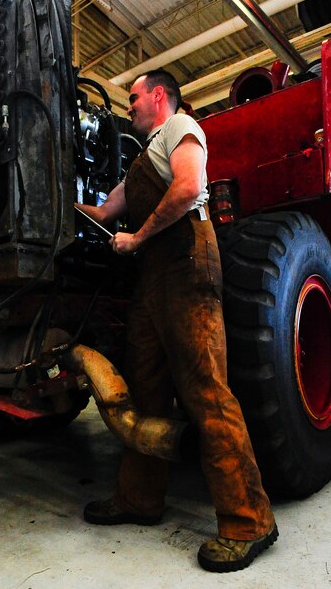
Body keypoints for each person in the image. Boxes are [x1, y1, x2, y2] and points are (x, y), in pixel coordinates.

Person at [76, 69, 278, 573]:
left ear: (159, 96)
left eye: (135, 96)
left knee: (205, 391)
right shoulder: (143, 159)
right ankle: (139, 497)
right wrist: (54, 198)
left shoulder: (182, 128)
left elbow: (188, 188)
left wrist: (137, 237)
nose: (129, 106)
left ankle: (249, 520)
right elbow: (102, 212)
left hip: (188, 258)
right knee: (144, 390)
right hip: (155, 275)